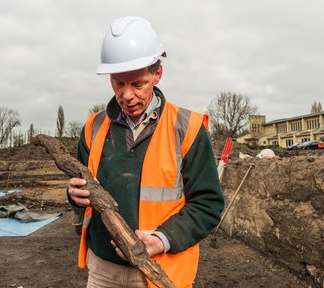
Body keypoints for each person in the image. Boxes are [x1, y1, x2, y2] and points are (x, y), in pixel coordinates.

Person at [67, 16, 224, 288]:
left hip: (161, 269)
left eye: (137, 84)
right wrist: (73, 195)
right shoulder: (93, 127)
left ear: (157, 74)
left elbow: (208, 204)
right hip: (103, 270)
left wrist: (161, 239)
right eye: (118, 83)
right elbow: (80, 191)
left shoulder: (187, 129)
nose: (127, 95)